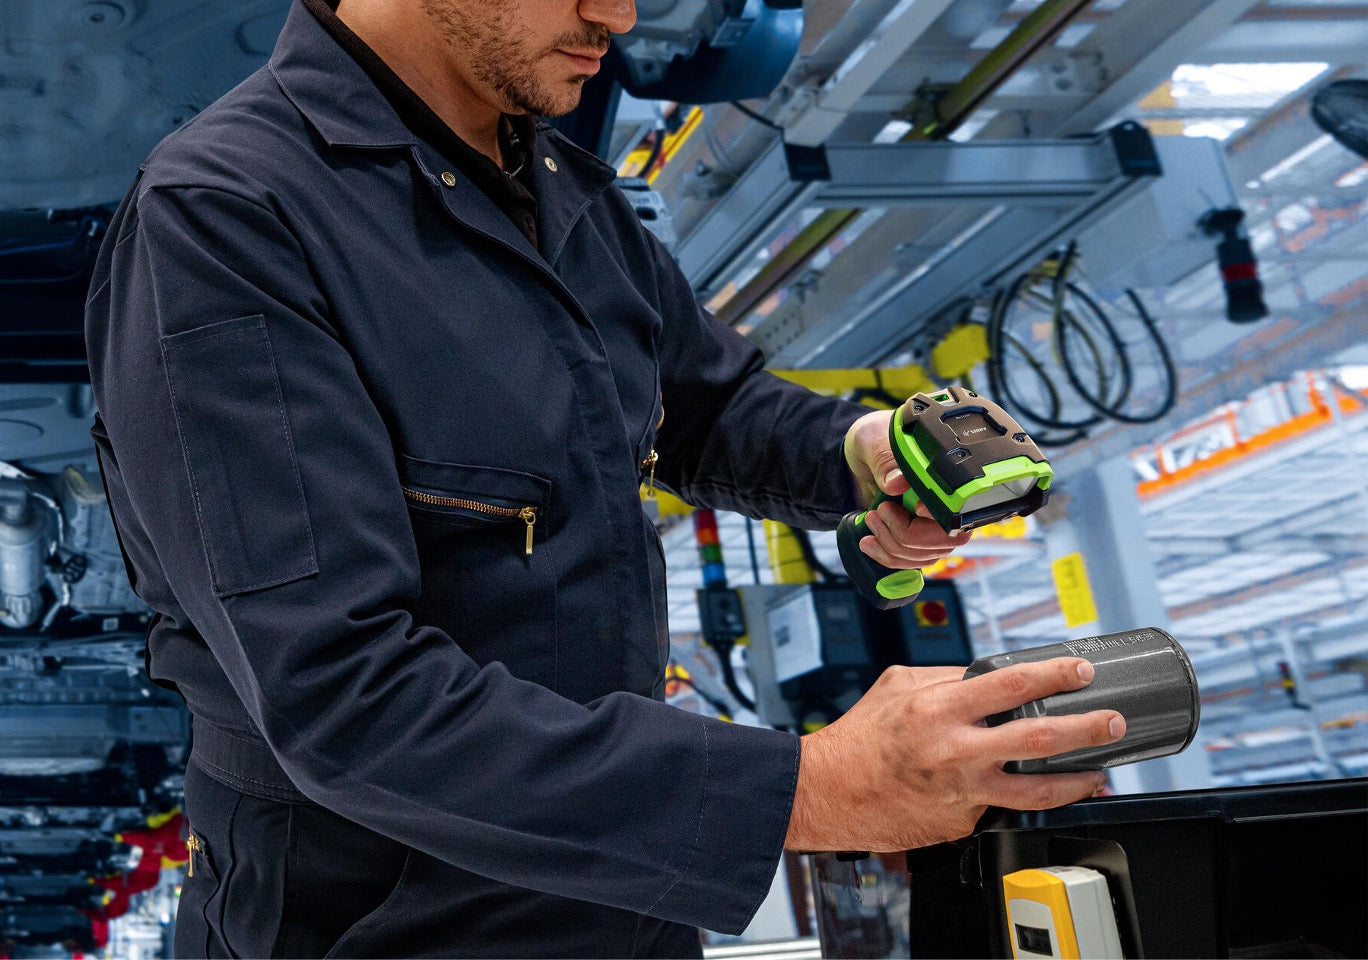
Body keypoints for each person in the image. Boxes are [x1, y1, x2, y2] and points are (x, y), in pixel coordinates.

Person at [83, 0, 1125, 956]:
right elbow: (343, 696)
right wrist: (807, 790)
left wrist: (859, 456)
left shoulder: (565, 190)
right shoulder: (225, 216)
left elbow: (708, 406)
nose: (617, 17)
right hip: (380, 923)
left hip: (623, 896)